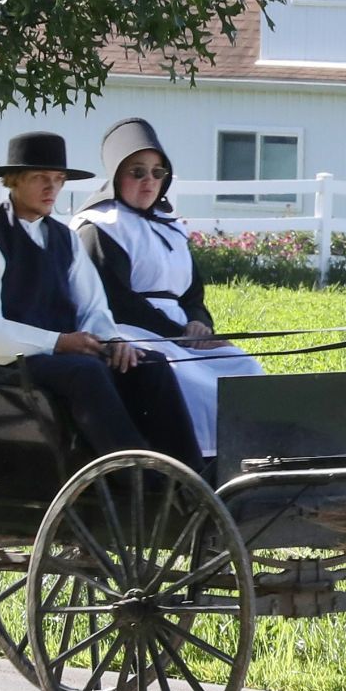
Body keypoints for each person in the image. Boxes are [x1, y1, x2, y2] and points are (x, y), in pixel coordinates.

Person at [0, 130, 202, 467]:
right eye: (40, 178)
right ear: (13, 181)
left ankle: (188, 473)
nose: (51, 188)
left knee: (148, 364)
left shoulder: (64, 238)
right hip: (6, 364)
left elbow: (93, 306)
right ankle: (134, 474)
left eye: (58, 179)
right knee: (85, 373)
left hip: (62, 355)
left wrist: (111, 340)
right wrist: (59, 342)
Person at [73, 117, 263, 459]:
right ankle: (205, 463)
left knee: (244, 368)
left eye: (157, 173)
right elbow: (116, 301)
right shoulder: (99, 227)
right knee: (193, 384)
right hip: (130, 333)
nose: (149, 182)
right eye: (138, 172)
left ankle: (253, 455)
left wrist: (199, 323)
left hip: (180, 335)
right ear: (117, 175)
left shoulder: (172, 229)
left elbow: (192, 293)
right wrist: (178, 333)